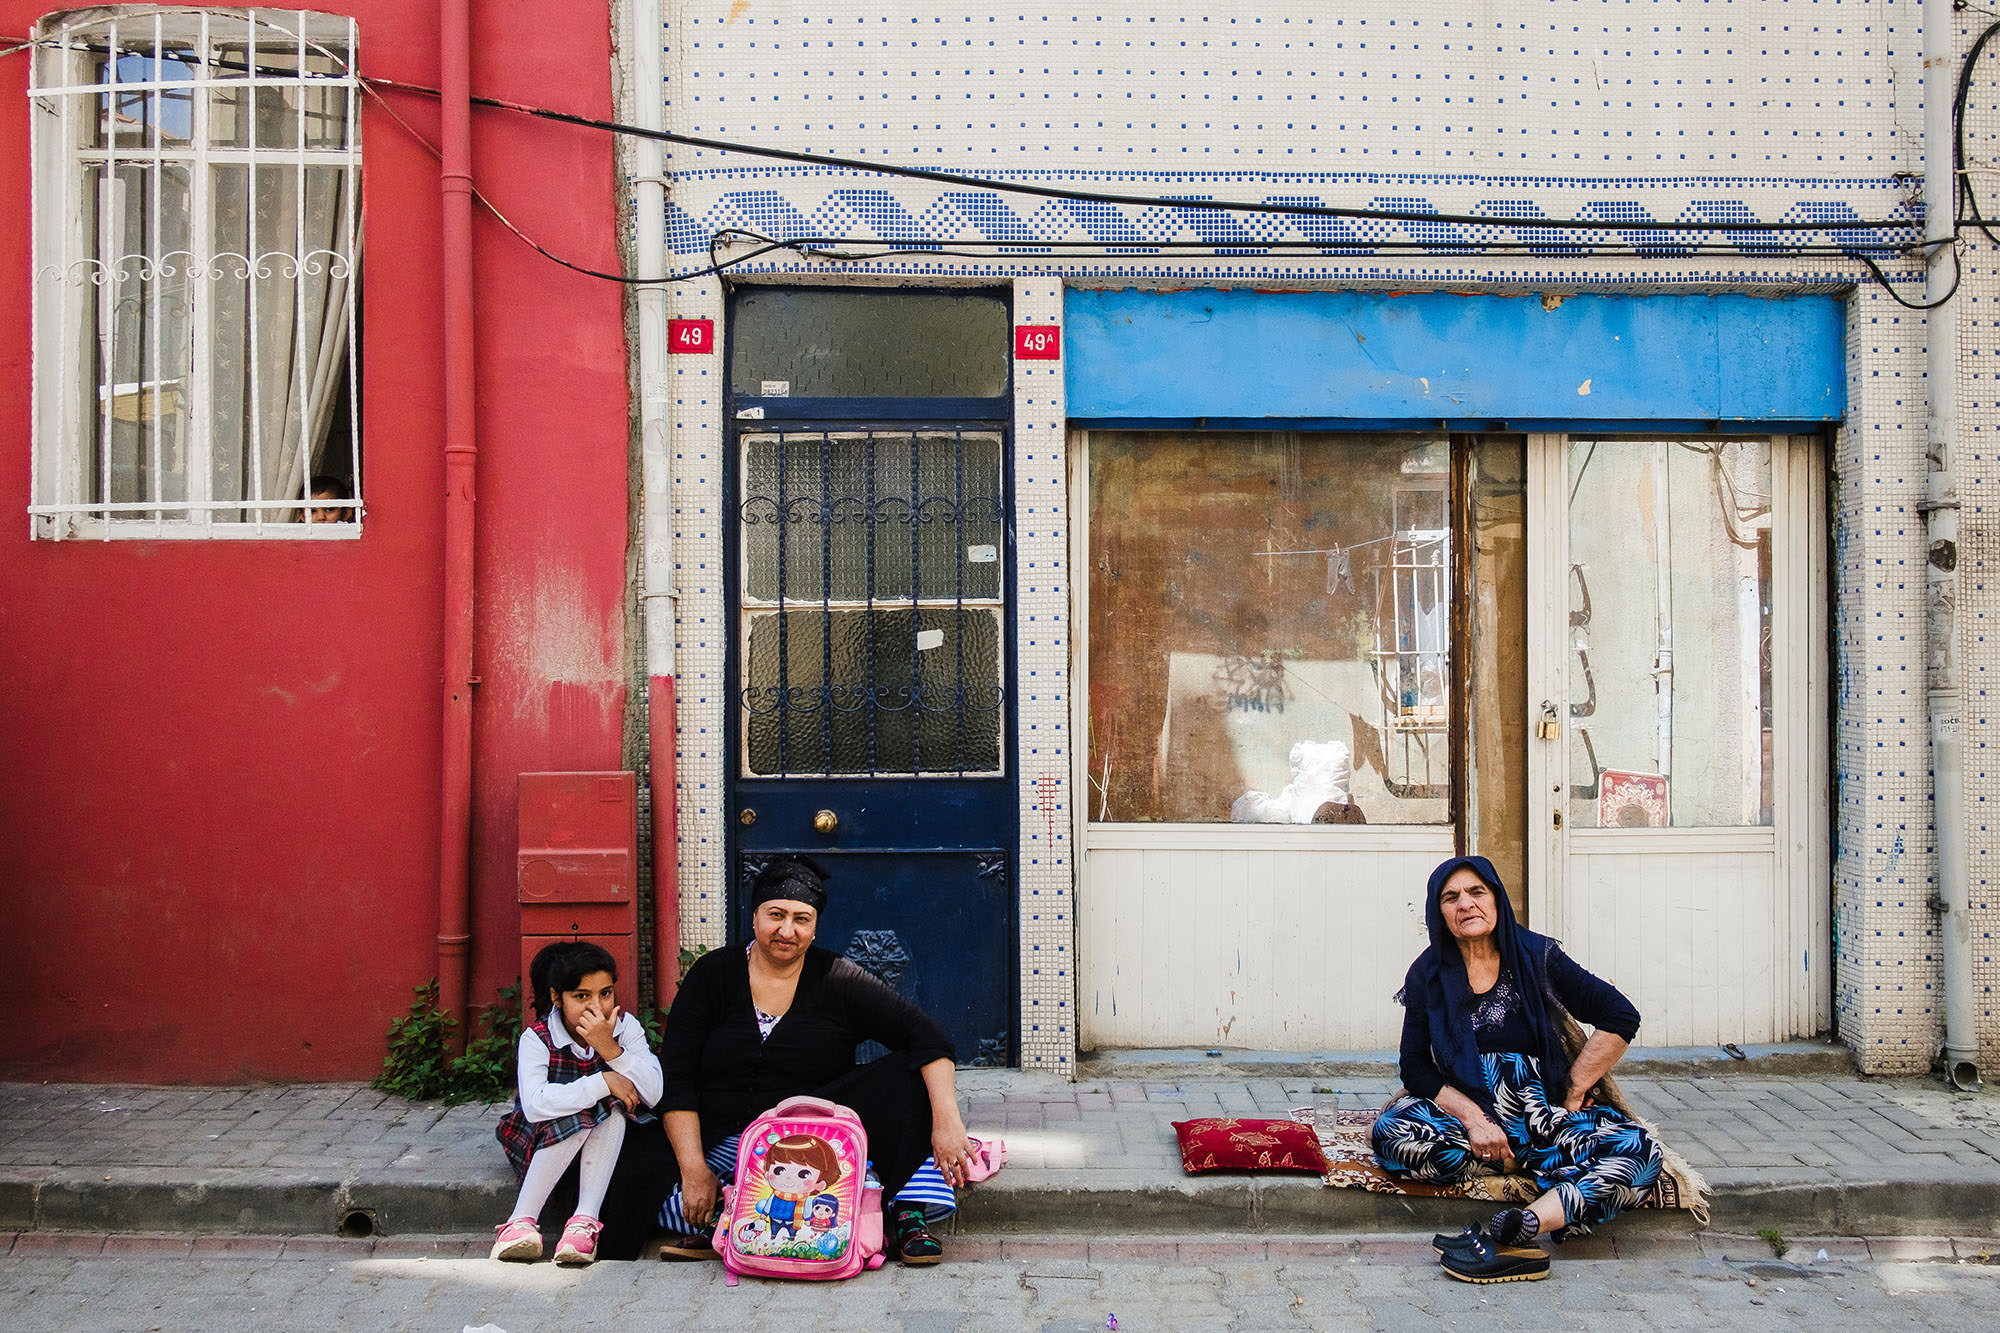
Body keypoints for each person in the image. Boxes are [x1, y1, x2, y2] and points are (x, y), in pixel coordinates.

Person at [652, 856, 973, 1265]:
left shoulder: (837, 977)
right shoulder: (711, 975)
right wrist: (694, 1167)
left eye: (801, 919)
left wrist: (948, 1123)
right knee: (638, 1176)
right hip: (725, 1139)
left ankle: (906, 1210)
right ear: (754, 918)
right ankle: (734, 1217)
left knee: (909, 1076)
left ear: (815, 925)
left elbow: (928, 1037)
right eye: (776, 915)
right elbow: (677, 1073)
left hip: (817, 1142)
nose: (787, 931)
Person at [1371, 855, 1661, 1285]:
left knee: (1640, 1152)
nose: (1465, 904)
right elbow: (1414, 1066)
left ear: (1496, 899)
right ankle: (1516, 1165)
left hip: (1542, 1114)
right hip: (1466, 1117)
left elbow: (1620, 1015)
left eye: (1476, 892)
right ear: (1439, 912)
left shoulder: (1537, 955)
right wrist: (1475, 1120)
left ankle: (1524, 1224)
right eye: (1451, 898)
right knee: (1391, 1134)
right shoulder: (1427, 973)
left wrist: (1578, 1084)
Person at [491, 941, 663, 1266]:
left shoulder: (624, 1029)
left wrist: (608, 1047)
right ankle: (520, 1222)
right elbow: (536, 1105)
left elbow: (653, 1093)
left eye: (606, 993)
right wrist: (604, 1080)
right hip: (542, 1138)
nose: (597, 1006)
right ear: (557, 997)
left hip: (603, 1145)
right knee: (593, 1106)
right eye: (582, 996)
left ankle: (584, 1222)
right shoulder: (537, 1038)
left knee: (611, 1110)